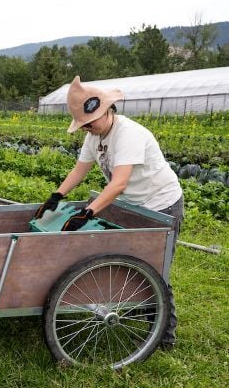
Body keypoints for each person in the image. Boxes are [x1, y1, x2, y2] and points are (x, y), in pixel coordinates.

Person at [35, 75, 183, 350]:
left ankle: (164, 337)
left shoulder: (128, 133)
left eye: (89, 123)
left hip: (161, 204)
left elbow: (119, 182)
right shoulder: (95, 136)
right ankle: (143, 315)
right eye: (83, 126)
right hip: (134, 205)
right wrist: (56, 196)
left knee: (155, 268)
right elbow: (79, 170)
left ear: (104, 110)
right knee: (133, 262)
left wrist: (87, 213)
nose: (87, 129)